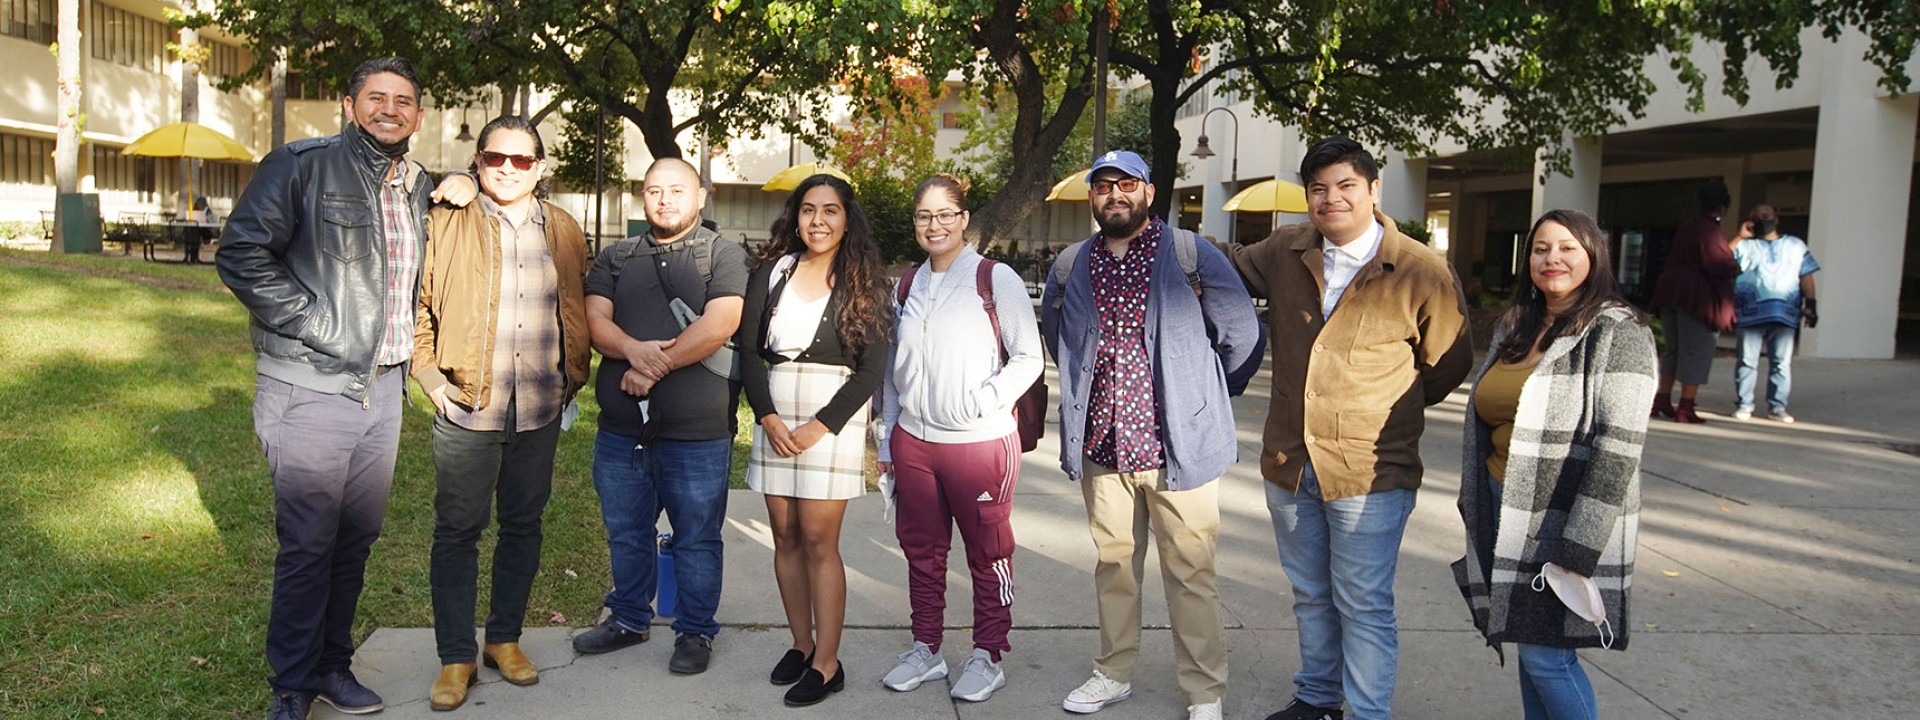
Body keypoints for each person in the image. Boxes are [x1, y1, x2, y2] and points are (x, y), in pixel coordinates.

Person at [1216, 136, 1471, 720]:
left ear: (1374, 190)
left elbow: (1448, 364)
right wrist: (1144, 224)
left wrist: (1378, 409)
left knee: (1363, 603)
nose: (1332, 199)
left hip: (1370, 471)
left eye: (1346, 186)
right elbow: (1223, 262)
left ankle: (1367, 711)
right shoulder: (1285, 251)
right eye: (1319, 189)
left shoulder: (1421, 271)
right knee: (1311, 596)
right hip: (1290, 461)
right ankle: (1317, 697)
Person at [214, 56, 431, 720]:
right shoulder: (301, 165)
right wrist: (316, 321)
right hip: (309, 386)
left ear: (418, 116)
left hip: (382, 391)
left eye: (403, 100)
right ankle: (292, 684)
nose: (388, 109)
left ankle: (332, 665)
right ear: (349, 104)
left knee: (356, 538)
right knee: (310, 542)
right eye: (376, 97)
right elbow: (241, 252)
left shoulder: (417, 185)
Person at [1040, 150, 1264, 720]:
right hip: (1103, 446)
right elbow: (1057, 335)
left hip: (1177, 448)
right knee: (1114, 566)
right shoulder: (1071, 264)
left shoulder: (1191, 255)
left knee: (1191, 573)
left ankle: (1204, 691)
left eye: (1126, 184)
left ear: (1148, 189)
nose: (1114, 194)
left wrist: (1204, 396)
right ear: (1091, 197)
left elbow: (1241, 333)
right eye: (1103, 186)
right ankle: (1113, 671)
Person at [411, 116, 590, 710]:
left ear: (540, 168)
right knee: (457, 531)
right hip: (467, 405)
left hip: (539, 407)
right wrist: (430, 375)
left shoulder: (563, 227)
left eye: (521, 160)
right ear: (478, 162)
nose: (507, 169)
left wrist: (573, 376)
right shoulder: (445, 218)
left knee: (524, 525)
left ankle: (504, 639)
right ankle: (456, 655)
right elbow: (415, 305)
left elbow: (575, 303)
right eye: (495, 158)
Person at [1453, 209, 1655, 720]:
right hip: (1506, 503)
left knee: (1548, 658)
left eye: (1568, 247)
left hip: (1563, 517)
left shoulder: (1618, 332)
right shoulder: (1517, 324)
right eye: (1541, 248)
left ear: (1594, 255)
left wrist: (1579, 545)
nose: (1553, 258)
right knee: (1529, 644)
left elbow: (1619, 447)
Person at [876, 173, 1043, 703]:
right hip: (915, 443)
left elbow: (1028, 358)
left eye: (946, 213)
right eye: (925, 215)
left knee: (987, 552)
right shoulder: (905, 284)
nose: (935, 225)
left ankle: (988, 653)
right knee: (922, 552)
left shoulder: (995, 279)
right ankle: (926, 648)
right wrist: (888, 439)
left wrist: (983, 402)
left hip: (979, 443)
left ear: (965, 219)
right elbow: (892, 371)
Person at [737, 174, 893, 707]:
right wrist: (768, 417)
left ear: (847, 219)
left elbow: (871, 370)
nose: (818, 221)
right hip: (776, 416)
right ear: (795, 216)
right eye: (808, 210)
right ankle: (801, 646)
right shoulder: (773, 269)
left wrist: (819, 425)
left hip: (832, 417)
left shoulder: (864, 280)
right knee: (784, 538)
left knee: (820, 542)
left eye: (830, 210)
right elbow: (747, 350)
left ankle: (828, 663)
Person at [1650, 180, 1737, 423]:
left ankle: (1663, 399)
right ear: (1722, 208)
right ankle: (1685, 406)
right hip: (1696, 299)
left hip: (1670, 292)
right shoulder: (1709, 231)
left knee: (1673, 350)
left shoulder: (1687, 227)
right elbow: (1720, 264)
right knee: (1696, 350)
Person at [1729, 205, 1819, 423]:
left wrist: (1812, 305)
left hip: (1785, 313)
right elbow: (1721, 257)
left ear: (1776, 219)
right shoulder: (1745, 246)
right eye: (1757, 217)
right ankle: (1744, 404)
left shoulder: (1795, 245)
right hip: (1750, 313)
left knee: (1781, 363)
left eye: (1766, 216)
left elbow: (1806, 275)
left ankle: (1777, 407)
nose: (1762, 219)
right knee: (1747, 361)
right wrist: (1739, 236)